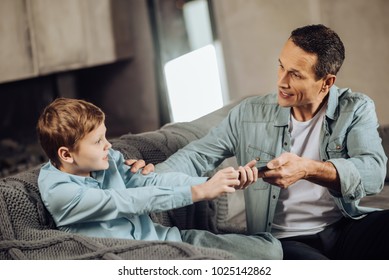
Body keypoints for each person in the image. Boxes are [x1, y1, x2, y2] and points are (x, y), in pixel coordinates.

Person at [132, 24, 388, 259]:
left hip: (344, 224)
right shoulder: (249, 114)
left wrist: (306, 168)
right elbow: (197, 156)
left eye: (295, 75)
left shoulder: (355, 108)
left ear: (326, 83)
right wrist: (148, 178)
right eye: (281, 66)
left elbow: (374, 172)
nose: (281, 81)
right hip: (285, 240)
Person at [36, 97, 282, 260]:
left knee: (271, 250)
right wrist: (199, 192)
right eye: (98, 141)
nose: (108, 145)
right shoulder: (60, 193)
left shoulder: (107, 158)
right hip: (141, 259)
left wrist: (217, 183)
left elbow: (149, 182)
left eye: (105, 136)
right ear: (66, 154)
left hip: (169, 240)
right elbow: (129, 200)